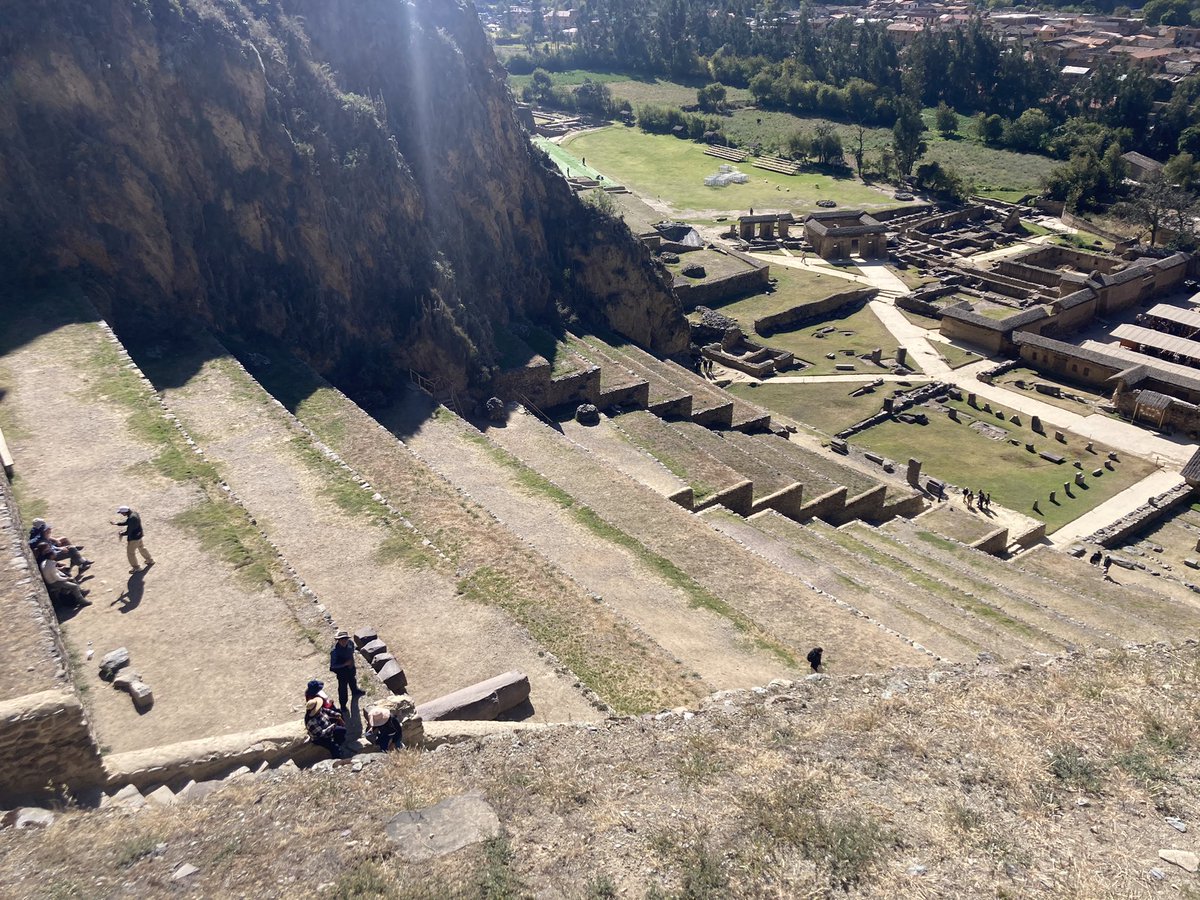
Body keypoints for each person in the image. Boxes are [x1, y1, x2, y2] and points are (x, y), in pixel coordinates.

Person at [111, 506, 154, 572]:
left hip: (134, 539)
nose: (122, 514)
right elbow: (127, 523)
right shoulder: (134, 514)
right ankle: (150, 560)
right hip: (139, 535)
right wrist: (117, 523)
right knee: (142, 548)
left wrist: (122, 534)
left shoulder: (131, 518)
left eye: (122, 513)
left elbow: (129, 531)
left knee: (130, 553)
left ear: (125, 512)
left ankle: (136, 567)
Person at [329, 631, 364, 709]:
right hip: (342, 673)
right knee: (343, 689)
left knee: (353, 680)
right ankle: (343, 705)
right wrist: (344, 664)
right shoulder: (334, 651)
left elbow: (352, 653)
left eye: (345, 639)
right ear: (338, 640)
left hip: (351, 669)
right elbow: (333, 666)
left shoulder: (350, 644)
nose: (344, 641)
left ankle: (355, 691)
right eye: (341, 639)